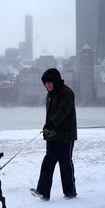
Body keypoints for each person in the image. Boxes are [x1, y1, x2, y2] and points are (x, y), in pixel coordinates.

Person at [30, 68, 77, 201]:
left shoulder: (66, 93)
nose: (48, 85)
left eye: (50, 82)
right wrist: (47, 129)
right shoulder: (50, 94)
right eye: (46, 83)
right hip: (52, 136)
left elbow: (64, 112)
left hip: (65, 136)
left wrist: (52, 124)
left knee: (65, 164)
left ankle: (70, 192)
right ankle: (43, 192)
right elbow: (50, 115)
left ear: (56, 81)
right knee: (48, 163)